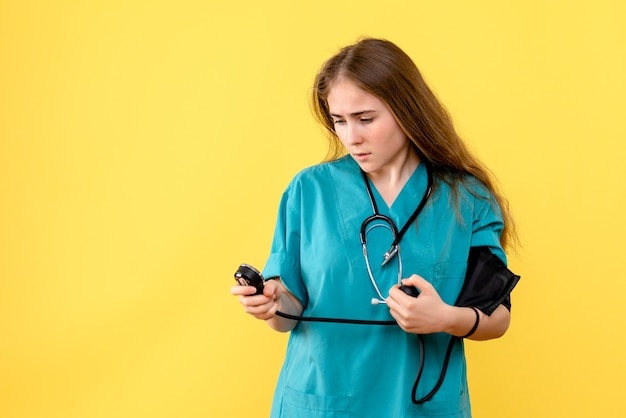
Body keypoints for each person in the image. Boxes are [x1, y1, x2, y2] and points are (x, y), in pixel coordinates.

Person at [231, 37, 518, 418]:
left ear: (407, 110)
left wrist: (445, 318)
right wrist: (269, 304)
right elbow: (287, 316)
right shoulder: (309, 191)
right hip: (322, 403)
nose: (351, 138)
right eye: (339, 121)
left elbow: (497, 318)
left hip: (422, 406)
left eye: (365, 119)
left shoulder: (467, 199)